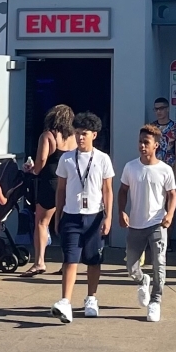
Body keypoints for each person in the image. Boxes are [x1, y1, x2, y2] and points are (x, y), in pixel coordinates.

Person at [50, 111, 115, 323]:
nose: (80, 137)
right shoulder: (67, 158)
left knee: (93, 260)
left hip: (94, 216)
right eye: (77, 133)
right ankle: (65, 302)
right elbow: (61, 189)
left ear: (94, 135)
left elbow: (108, 190)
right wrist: (58, 215)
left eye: (84, 133)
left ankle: (91, 298)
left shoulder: (103, 159)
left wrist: (108, 217)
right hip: (71, 215)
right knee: (70, 259)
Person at [119, 125, 176, 322]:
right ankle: (142, 280)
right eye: (140, 142)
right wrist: (121, 211)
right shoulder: (131, 167)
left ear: (156, 146)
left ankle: (155, 301)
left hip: (157, 223)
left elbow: (172, 195)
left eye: (146, 142)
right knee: (131, 266)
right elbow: (123, 191)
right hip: (136, 224)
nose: (142, 146)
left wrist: (169, 214)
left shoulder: (165, 170)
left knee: (159, 263)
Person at [28, 104, 76, 276]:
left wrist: (33, 170)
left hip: (50, 181)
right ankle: (66, 263)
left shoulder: (48, 135)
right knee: (65, 223)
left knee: (42, 222)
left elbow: (41, 160)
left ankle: (39, 262)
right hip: (69, 182)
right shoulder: (74, 137)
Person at [151, 97, 176, 178]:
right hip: (153, 171)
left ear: (167, 109)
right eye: (156, 109)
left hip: (169, 172)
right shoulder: (151, 128)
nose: (158, 111)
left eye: (161, 108)